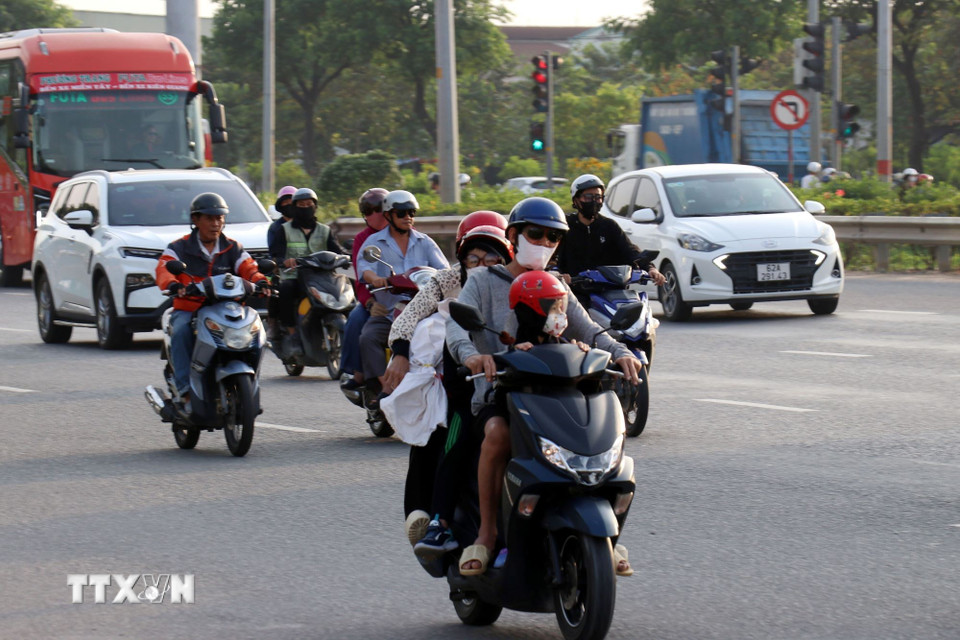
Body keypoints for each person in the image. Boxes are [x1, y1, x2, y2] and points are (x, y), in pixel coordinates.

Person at [446, 196, 642, 577]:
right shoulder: (484, 282)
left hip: (557, 395)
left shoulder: (556, 287)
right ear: (514, 235)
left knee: (603, 439)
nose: (545, 243)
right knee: (497, 434)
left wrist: (620, 351)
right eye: (537, 234)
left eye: (554, 238)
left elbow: (588, 329)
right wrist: (472, 355)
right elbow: (458, 327)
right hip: (502, 394)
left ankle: (605, 539)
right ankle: (487, 533)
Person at [378, 211, 513, 550]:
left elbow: (563, 320)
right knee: (450, 434)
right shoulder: (446, 284)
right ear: (461, 256)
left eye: (492, 255)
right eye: (473, 256)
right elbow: (409, 320)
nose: (482, 263)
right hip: (467, 383)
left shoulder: (521, 280)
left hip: (517, 381)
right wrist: (401, 353)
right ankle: (436, 519)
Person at [155, 193, 270, 409]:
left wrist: (261, 282)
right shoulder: (179, 247)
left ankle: (250, 382)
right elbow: (164, 268)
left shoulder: (233, 247)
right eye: (209, 218)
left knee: (256, 330)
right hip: (190, 308)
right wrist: (173, 285)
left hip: (226, 307)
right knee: (180, 332)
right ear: (196, 220)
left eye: (220, 218)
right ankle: (185, 391)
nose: (216, 223)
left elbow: (249, 268)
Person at [354, 190, 449, 399]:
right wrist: (375, 279)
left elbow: (444, 270)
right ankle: (384, 387)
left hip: (424, 313)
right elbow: (364, 268)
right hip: (389, 313)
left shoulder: (425, 242)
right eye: (402, 213)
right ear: (388, 215)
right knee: (368, 338)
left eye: (411, 213)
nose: (408, 217)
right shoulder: (374, 242)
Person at [553, 174, 665, 307]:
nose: (594, 201)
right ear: (576, 200)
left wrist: (651, 269)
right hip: (576, 295)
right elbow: (551, 257)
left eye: (598, 197)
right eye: (588, 197)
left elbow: (630, 252)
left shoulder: (609, 226)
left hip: (612, 293)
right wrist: (559, 276)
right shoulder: (565, 227)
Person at [270, 187, 346, 356]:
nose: (306, 207)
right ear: (295, 207)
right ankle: (292, 334)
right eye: (301, 204)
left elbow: (337, 250)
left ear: (315, 206)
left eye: (309, 204)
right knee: (285, 289)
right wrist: (284, 261)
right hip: (295, 277)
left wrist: (347, 257)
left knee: (349, 287)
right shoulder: (284, 230)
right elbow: (277, 255)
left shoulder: (324, 230)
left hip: (322, 277)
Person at [341, 188, 390, 392]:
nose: (374, 215)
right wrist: (370, 303)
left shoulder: (417, 238)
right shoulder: (364, 240)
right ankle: (359, 372)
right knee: (355, 319)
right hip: (376, 299)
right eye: (368, 211)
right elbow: (362, 277)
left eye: (378, 208)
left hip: (409, 298)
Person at [265, 185, 298, 341]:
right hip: (282, 267)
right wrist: (283, 262)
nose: (289, 205)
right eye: (285, 202)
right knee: (275, 286)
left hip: (307, 268)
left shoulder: (307, 225)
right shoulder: (275, 228)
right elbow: (275, 253)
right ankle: (273, 323)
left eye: (292, 201)